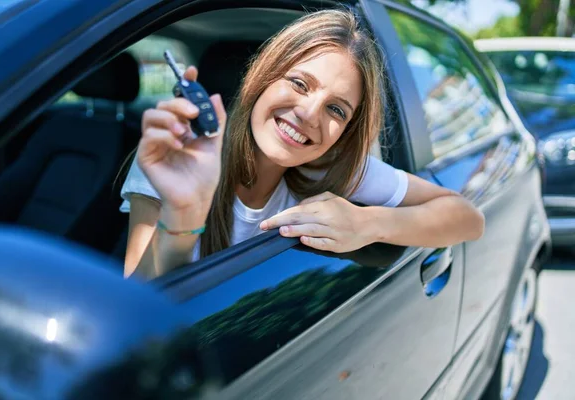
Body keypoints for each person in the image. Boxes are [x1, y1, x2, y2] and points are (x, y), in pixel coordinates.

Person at [120, 9, 485, 279]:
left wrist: (367, 222)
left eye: (336, 109)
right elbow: (135, 309)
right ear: (264, 77)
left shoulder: (333, 167)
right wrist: (183, 217)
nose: (310, 114)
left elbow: (468, 219)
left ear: (346, 130)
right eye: (299, 83)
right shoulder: (179, 155)